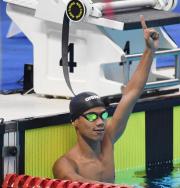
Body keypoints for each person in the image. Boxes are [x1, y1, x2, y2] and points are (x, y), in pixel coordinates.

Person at [52, 15, 159, 184]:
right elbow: (76, 182)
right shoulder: (66, 164)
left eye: (103, 115)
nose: (100, 122)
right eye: (92, 117)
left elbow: (131, 93)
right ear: (75, 122)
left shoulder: (107, 139)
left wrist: (149, 51)